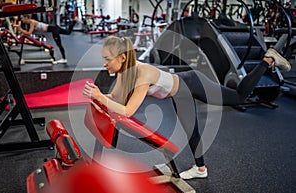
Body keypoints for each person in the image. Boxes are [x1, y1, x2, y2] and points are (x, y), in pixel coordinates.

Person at [82, 36, 291, 180]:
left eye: (107, 60)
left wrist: (101, 97)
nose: (105, 64)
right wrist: (99, 95)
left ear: (122, 58)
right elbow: (114, 99)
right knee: (191, 129)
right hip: (180, 87)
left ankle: (267, 60)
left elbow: (127, 111)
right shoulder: (123, 73)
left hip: (192, 84)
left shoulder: (141, 74)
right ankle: (200, 169)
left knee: (238, 96)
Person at [14, 14, 78, 64]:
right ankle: (74, 21)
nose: (21, 19)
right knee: (68, 32)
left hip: (53, 29)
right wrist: (19, 29)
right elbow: (26, 33)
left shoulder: (32, 22)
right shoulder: (28, 23)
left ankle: (64, 59)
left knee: (59, 44)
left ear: (26, 18)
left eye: (22, 18)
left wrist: (20, 29)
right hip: (54, 27)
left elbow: (28, 33)